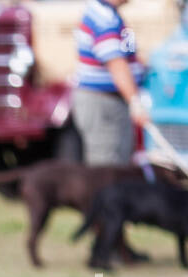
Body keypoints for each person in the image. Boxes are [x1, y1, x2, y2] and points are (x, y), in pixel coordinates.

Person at [72, 0, 147, 166]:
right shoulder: (104, 18)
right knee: (107, 166)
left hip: (108, 101)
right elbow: (116, 63)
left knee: (118, 161)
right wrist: (135, 101)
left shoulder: (107, 14)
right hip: (103, 103)